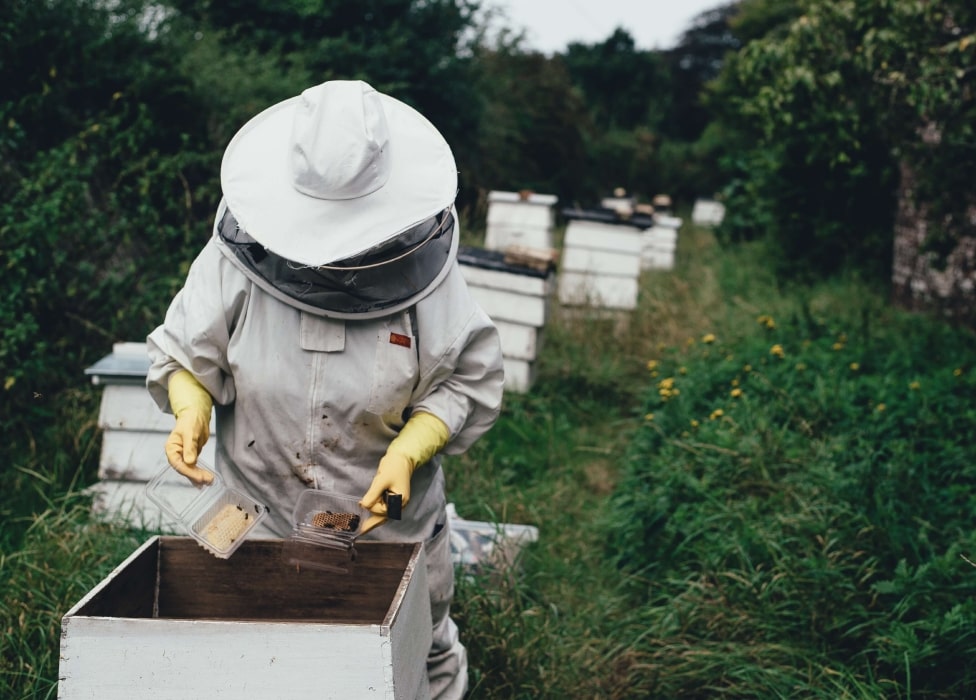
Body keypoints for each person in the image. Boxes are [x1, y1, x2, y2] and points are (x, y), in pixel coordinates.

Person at [145, 79, 505, 699]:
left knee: (417, 653)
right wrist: (190, 406)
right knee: (262, 662)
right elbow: (188, 350)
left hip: (384, 523)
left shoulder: (430, 279)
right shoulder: (234, 259)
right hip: (253, 515)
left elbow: (464, 381)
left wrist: (408, 451)